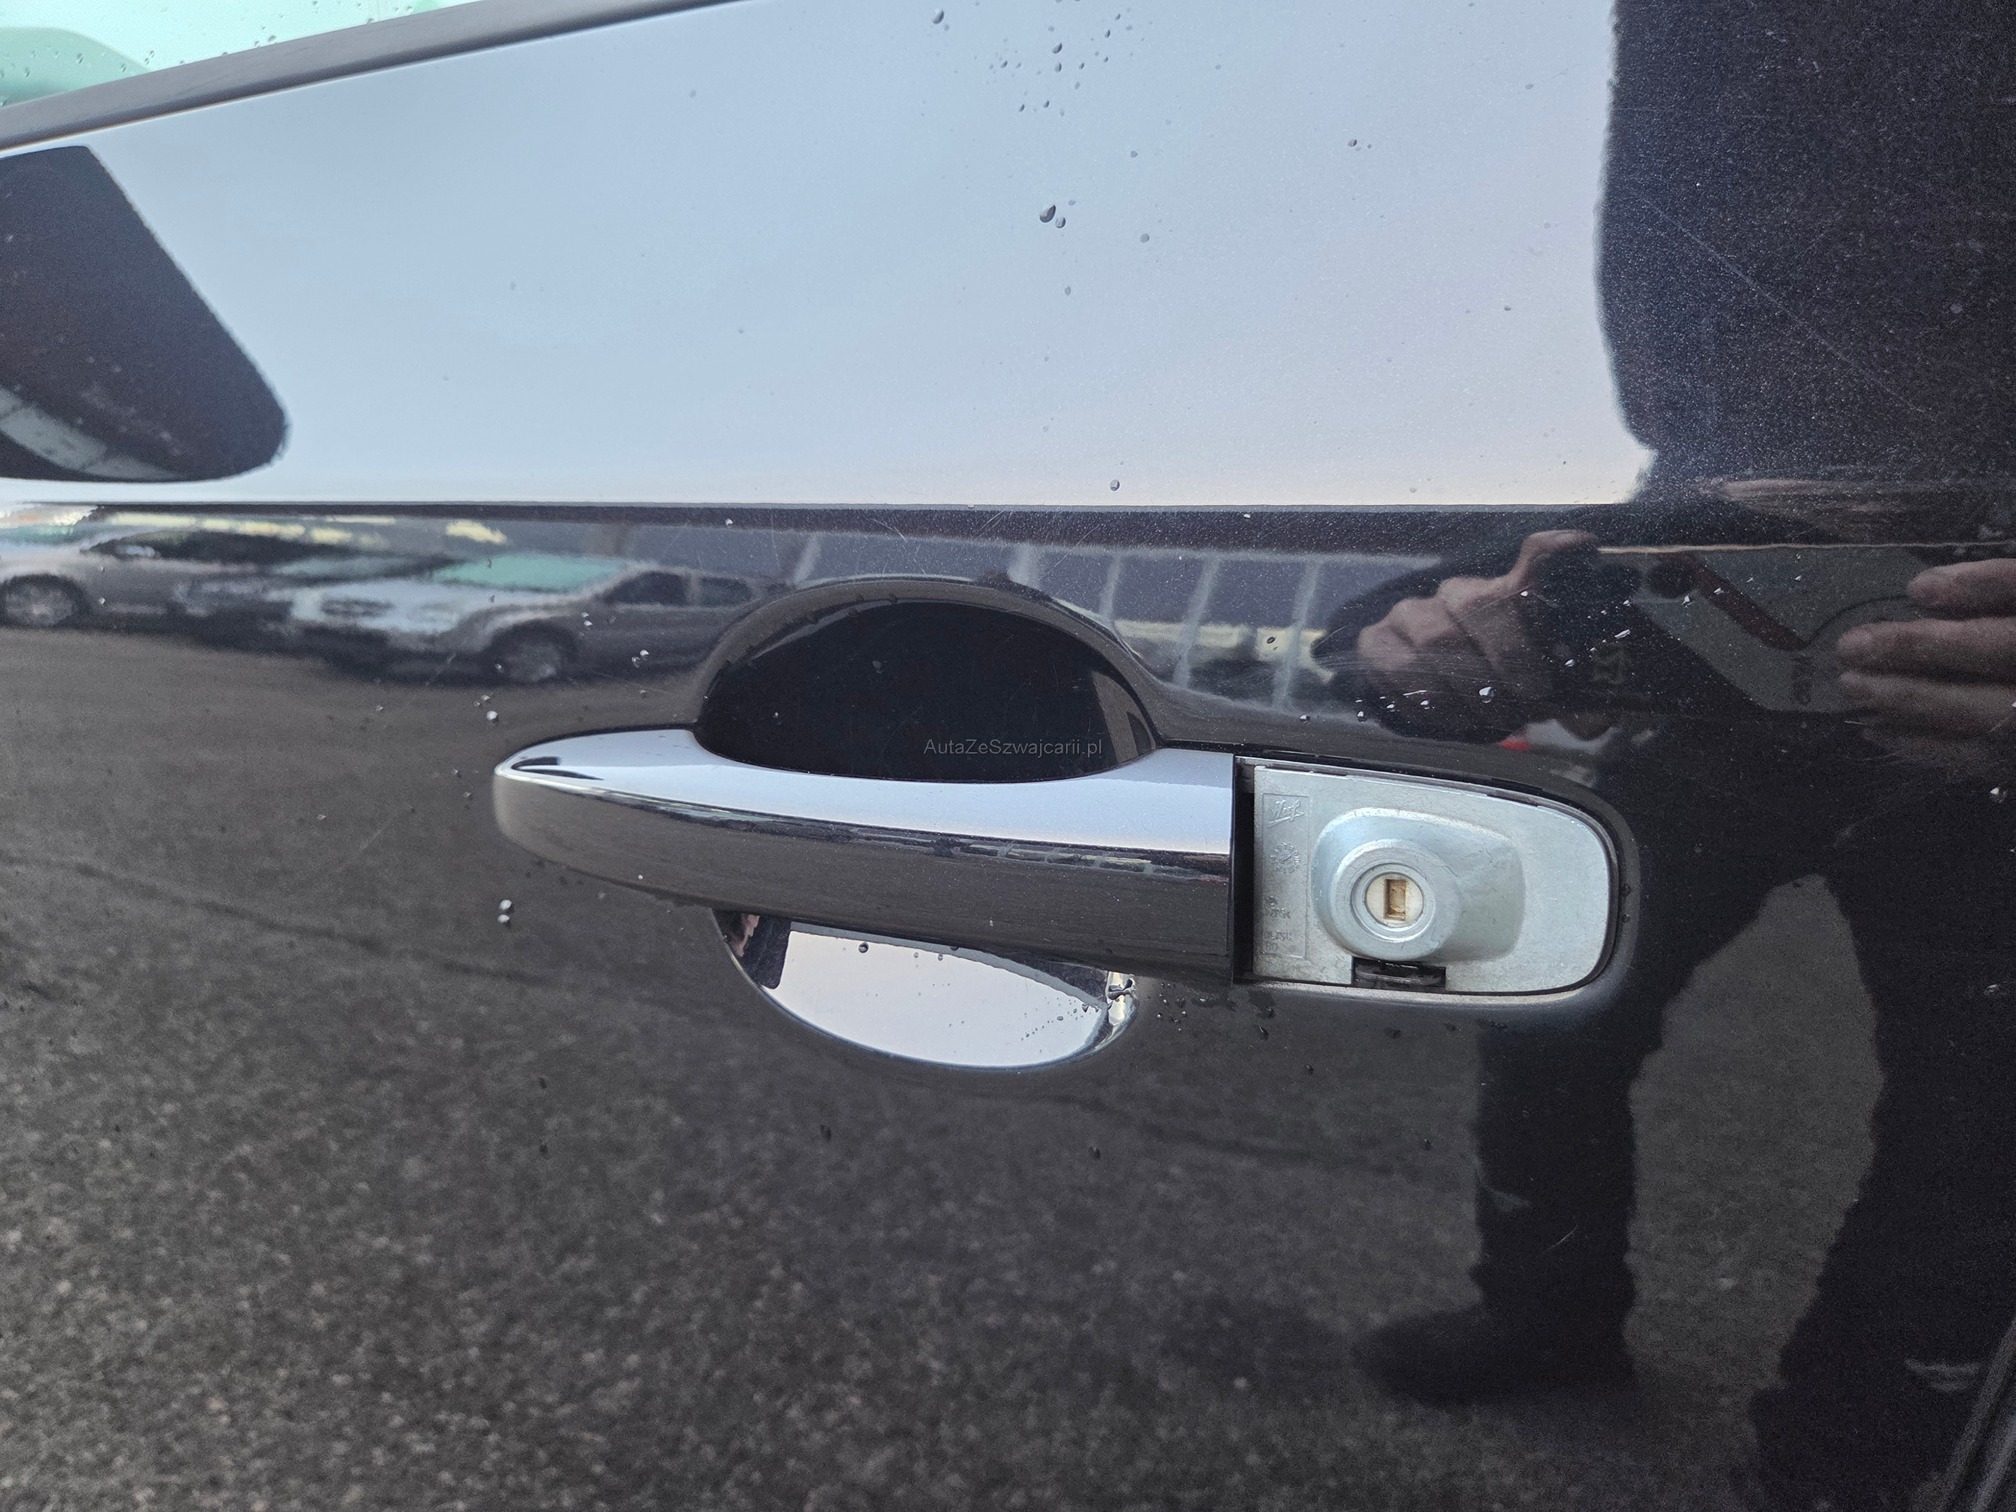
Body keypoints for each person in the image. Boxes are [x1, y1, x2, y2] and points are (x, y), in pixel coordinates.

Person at [1345, 3, 2016, 1508]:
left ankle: (1836, 1465)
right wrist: (1425, 649)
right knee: (1554, 998)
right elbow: (1412, 615)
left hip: (1972, 730)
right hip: (1718, 688)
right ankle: (1552, 1313)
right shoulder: (1688, 206)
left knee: (1978, 1120)